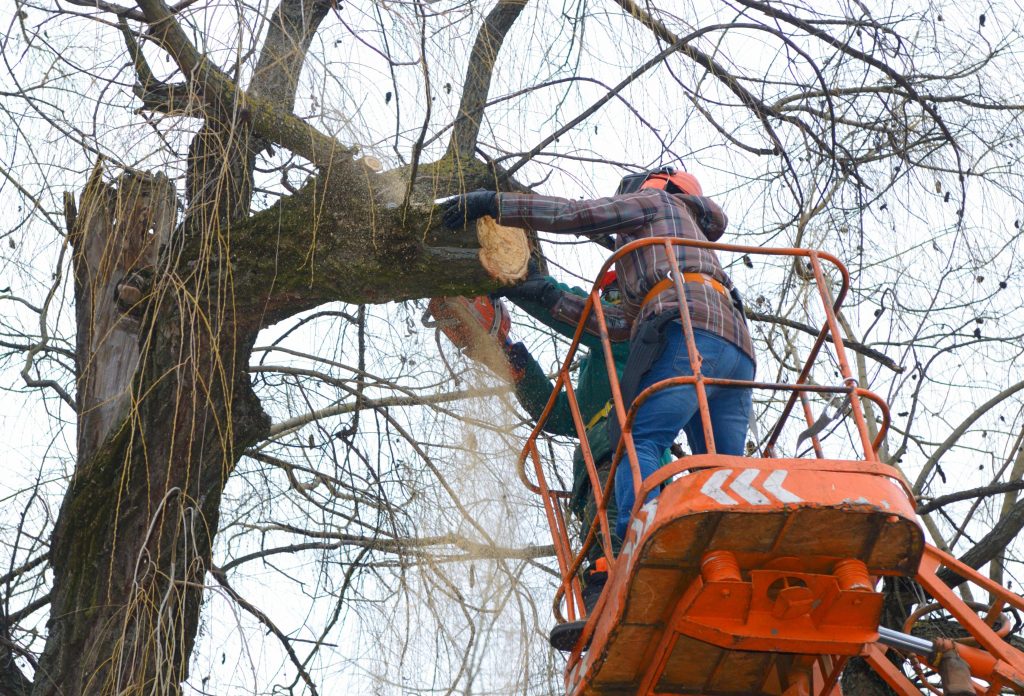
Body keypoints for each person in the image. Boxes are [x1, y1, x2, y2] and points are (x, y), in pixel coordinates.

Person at [441, 167, 755, 542]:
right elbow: (560, 416)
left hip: (689, 332)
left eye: (615, 292)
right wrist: (508, 355)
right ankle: (733, 541)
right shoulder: (685, 260)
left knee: (638, 440)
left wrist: (496, 207)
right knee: (720, 470)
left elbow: (579, 217)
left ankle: (642, 539)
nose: (609, 298)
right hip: (735, 347)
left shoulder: (656, 206)